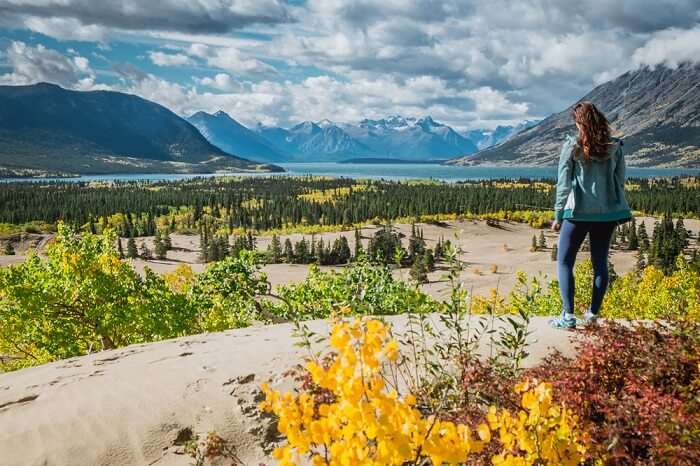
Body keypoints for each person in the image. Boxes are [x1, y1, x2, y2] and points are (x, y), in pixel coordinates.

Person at [549, 101, 631, 329]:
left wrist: (558, 215)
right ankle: (593, 314)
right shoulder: (615, 146)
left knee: (565, 262)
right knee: (600, 263)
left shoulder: (572, 146)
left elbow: (563, 184)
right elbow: (620, 181)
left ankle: (568, 316)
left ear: (578, 122)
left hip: (576, 213)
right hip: (607, 214)